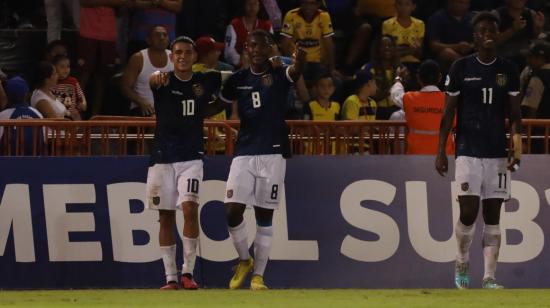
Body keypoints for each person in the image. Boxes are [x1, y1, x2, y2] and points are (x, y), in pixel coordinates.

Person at [435, 12, 522, 289]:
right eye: (482, 30)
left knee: (493, 214)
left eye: (492, 30)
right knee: (469, 212)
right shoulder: (460, 68)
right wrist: (440, 150)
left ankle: (489, 277)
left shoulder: (508, 69)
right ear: (475, 36)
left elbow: (515, 114)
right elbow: (449, 113)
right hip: (467, 151)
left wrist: (516, 143)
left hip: (496, 151)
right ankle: (461, 261)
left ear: (497, 35)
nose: (488, 34)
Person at [220, 29, 306, 290]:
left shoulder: (280, 71)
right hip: (245, 150)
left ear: (270, 47)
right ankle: (244, 260)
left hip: (273, 150)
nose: (256, 50)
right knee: (232, 210)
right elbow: (220, 101)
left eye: (261, 45)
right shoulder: (238, 79)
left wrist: (299, 55)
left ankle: (258, 276)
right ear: (246, 48)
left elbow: (297, 70)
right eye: (251, 46)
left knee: (264, 214)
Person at [147, 36, 228, 290]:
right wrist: (154, 77)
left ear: (195, 56)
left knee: (190, 209)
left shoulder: (206, 80)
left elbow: (232, 81)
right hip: (162, 158)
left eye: (187, 52)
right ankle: (170, 277)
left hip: (191, 157)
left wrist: (217, 105)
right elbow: (152, 80)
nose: (182, 56)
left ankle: (188, 273)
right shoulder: (162, 81)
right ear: (172, 57)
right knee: (166, 215)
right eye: (178, 52)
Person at [390, 59, 454, 154]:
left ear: (418, 78)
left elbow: (395, 94)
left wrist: (398, 79)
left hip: (416, 157)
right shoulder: (450, 101)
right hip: (444, 157)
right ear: (440, 77)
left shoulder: (409, 98)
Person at [280, 0, 335, 85]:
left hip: (317, 62)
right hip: (297, 61)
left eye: (312, 3)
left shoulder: (324, 16)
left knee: (330, 82)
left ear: (318, 4)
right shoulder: (291, 15)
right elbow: (285, 44)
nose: (308, 7)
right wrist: (290, 63)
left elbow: (329, 44)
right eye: (305, 2)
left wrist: (332, 69)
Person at [121, 25, 173, 117]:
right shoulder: (138, 58)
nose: (162, 38)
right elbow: (125, 88)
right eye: (157, 35)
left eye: (165, 35)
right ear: (148, 40)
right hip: (143, 110)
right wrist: (141, 102)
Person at [0, 77, 44, 155]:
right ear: (26, 94)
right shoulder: (37, 113)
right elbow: (44, 140)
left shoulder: (3, 116)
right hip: (36, 161)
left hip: (8, 163)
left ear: (7, 95)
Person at [427, 0, 476, 72]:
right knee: (447, 53)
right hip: (446, 57)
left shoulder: (473, 18)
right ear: (450, 2)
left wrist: (470, 46)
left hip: (470, 54)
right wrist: (457, 47)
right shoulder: (438, 17)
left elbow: (478, 40)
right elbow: (433, 45)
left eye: (467, 3)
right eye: (460, 2)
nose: (464, 6)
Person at [224, 0, 273, 68]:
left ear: (259, 6)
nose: (252, 7)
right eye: (249, 4)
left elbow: (271, 48)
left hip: (263, 64)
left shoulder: (267, 25)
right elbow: (229, 52)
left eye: (255, 4)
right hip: (240, 65)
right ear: (244, 5)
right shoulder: (234, 24)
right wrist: (241, 61)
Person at [382, 0, 425, 71]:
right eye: (400, 4)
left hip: (414, 63)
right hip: (393, 63)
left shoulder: (419, 24)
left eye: (407, 4)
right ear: (395, 5)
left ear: (413, 7)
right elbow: (389, 51)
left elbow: (419, 52)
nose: (403, 7)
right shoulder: (387, 24)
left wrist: (400, 50)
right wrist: (409, 50)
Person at [52, 54, 87, 120]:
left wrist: (83, 104)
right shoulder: (52, 82)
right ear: (54, 68)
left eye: (68, 66)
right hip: (58, 116)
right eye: (62, 67)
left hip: (72, 115)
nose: (66, 69)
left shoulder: (73, 81)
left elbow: (81, 96)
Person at [521, 39, 550, 119]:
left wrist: (527, 130)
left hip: (541, 129)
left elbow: (530, 109)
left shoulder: (538, 78)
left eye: (530, 57)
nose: (527, 61)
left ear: (541, 58)